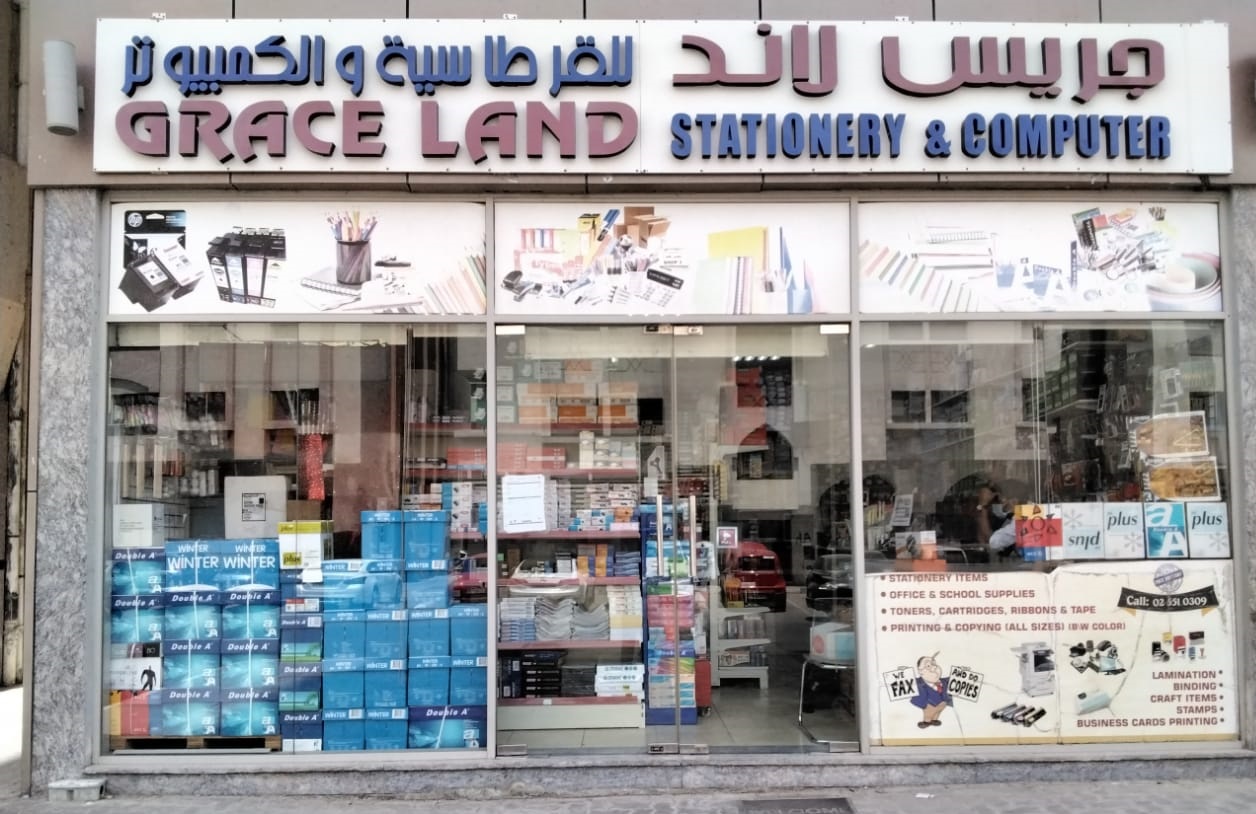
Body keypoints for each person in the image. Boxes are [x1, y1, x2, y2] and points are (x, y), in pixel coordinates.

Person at [975, 482, 1018, 558]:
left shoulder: (1018, 522)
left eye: (1002, 497)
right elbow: (982, 540)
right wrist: (982, 507)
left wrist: (983, 506)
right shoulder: (999, 519)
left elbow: (992, 541)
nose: (1001, 501)